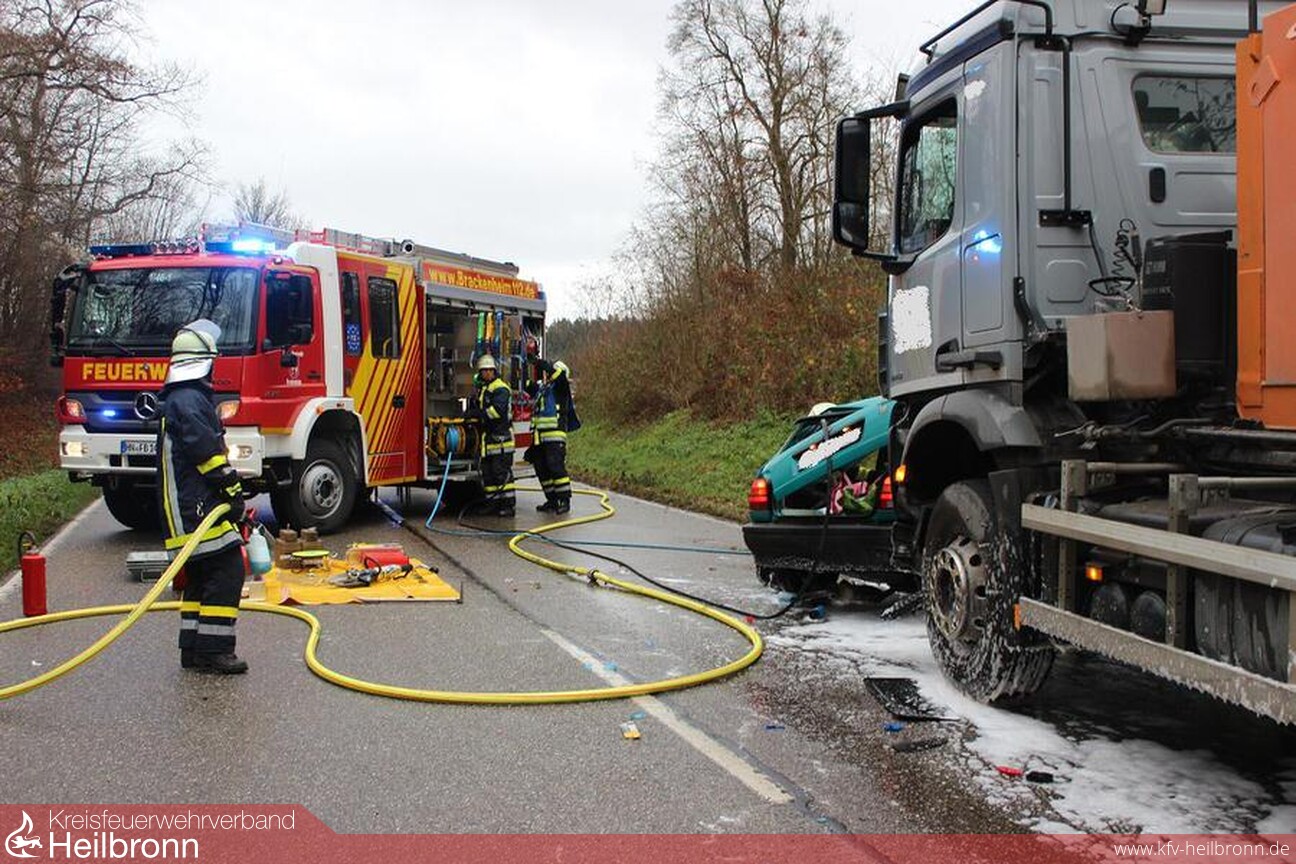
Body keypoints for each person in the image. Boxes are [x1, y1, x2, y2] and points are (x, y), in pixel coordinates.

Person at [155, 319, 249, 674]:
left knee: (201, 575)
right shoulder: (190, 400)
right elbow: (206, 453)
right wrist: (232, 489)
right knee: (227, 570)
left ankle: (193, 648)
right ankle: (214, 650)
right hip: (193, 506)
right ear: (204, 362)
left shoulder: (182, 398)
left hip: (188, 504)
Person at [529, 359, 580, 514]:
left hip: (555, 435)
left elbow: (559, 377)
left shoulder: (562, 388)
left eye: (551, 372)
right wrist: (524, 367)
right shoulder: (545, 389)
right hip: (540, 436)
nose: (548, 375)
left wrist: (543, 364)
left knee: (555, 467)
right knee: (541, 468)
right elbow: (529, 388)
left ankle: (564, 500)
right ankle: (551, 500)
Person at [468, 354, 516, 517]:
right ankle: (492, 504)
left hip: (501, 439)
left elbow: (496, 412)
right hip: (489, 439)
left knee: (500, 473)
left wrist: (478, 414)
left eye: (489, 370)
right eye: (484, 371)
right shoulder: (486, 388)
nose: (486, 373)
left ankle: (508, 506)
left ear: (494, 371)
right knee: (488, 473)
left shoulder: (500, 388)